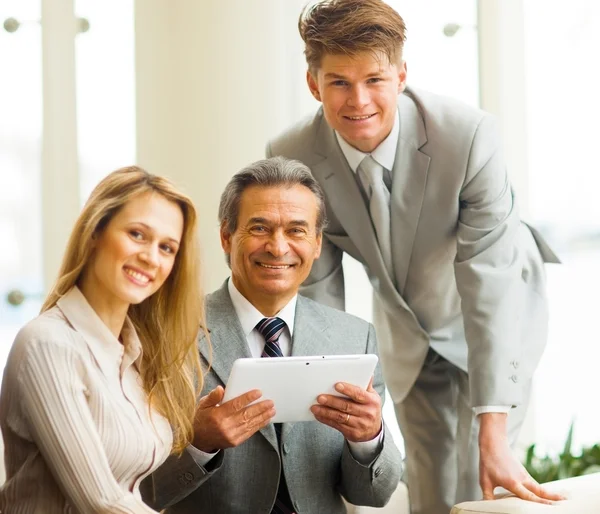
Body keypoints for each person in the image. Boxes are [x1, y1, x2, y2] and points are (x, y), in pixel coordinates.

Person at [265, 1, 565, 513]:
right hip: (405, 322)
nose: (358, 100)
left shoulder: (468, 137)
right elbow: (314, 293)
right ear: (314, 85)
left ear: (401, 74)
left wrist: (493, 428)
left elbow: (487, 283)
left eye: (374, 79)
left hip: (491, 310)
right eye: (338, 82)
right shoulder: (292, 155)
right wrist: (326, 405)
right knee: (426, 480)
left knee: (479, 475)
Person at [142, 156, 402, 514]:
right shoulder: (166, 334)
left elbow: (374, 494)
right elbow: (141, 491)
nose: (278, 248)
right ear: (226, 237)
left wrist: (368, 439)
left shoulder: (355, 338)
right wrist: (198, 444)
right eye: (260, 228)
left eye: (296, 230)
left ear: (316, 243)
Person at [0, 166, 210, 513]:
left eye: (167, 247)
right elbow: (101, 500)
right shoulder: (48, 344)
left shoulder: (137, 354)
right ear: (96, 231)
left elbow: (134, 486)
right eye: (137, 234)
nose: (150, 257)